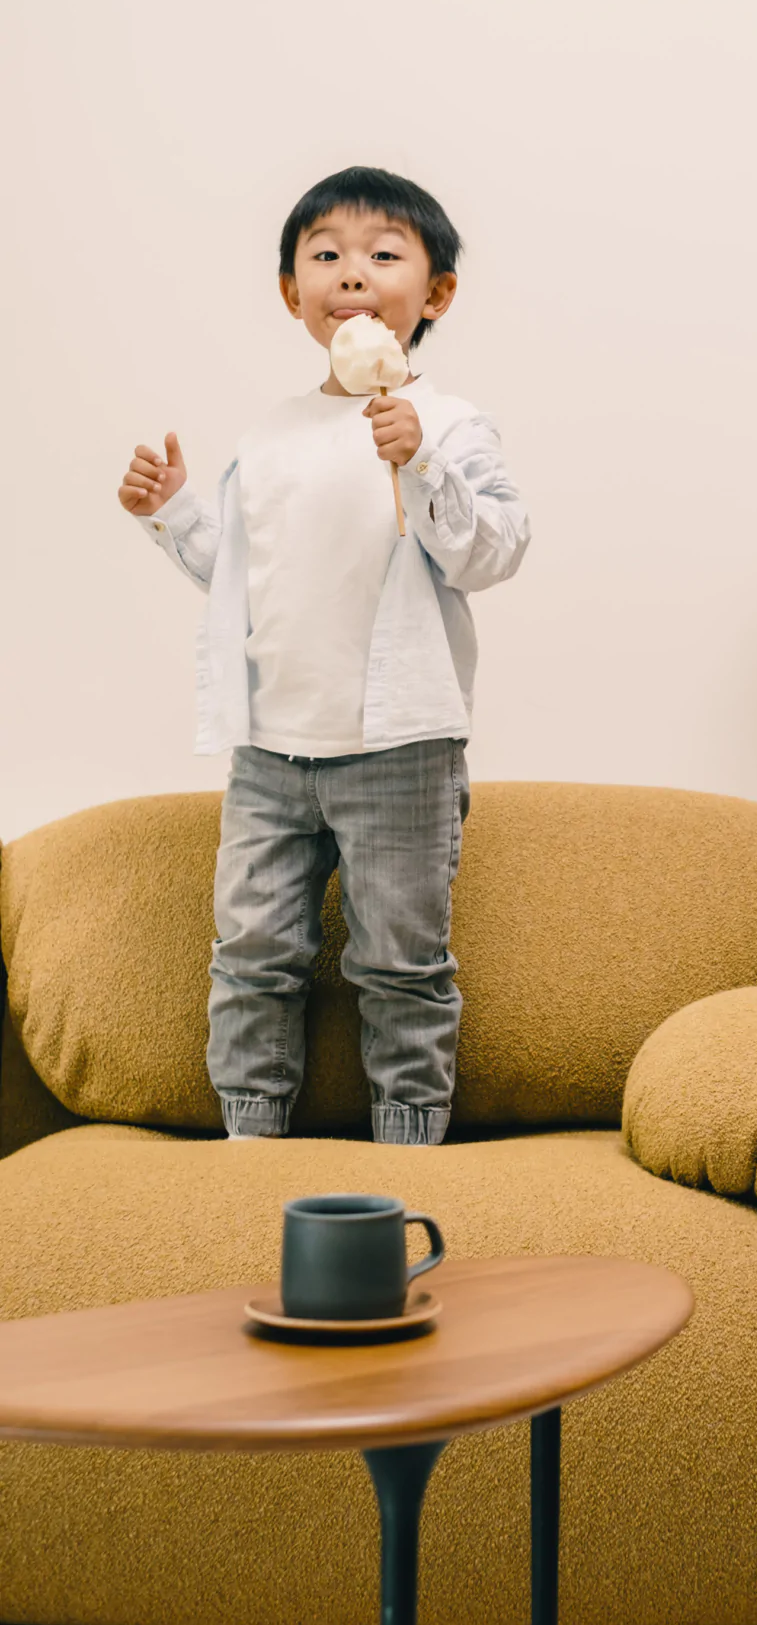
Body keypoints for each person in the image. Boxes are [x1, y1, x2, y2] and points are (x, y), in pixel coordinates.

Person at [117, 165, 530, 1144]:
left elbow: (493, 550)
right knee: (252, 956)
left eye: (384, 254)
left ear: (435, 295)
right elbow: (244, 578)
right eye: (325, 254)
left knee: (399, 966)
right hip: (269, 751)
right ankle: (251, 1144)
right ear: (290, 293)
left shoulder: (452, 424)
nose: (353, 271)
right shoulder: (269, 435)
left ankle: (408, 1154)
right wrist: (173, 511)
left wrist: (418, 457)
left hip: (398, 751)